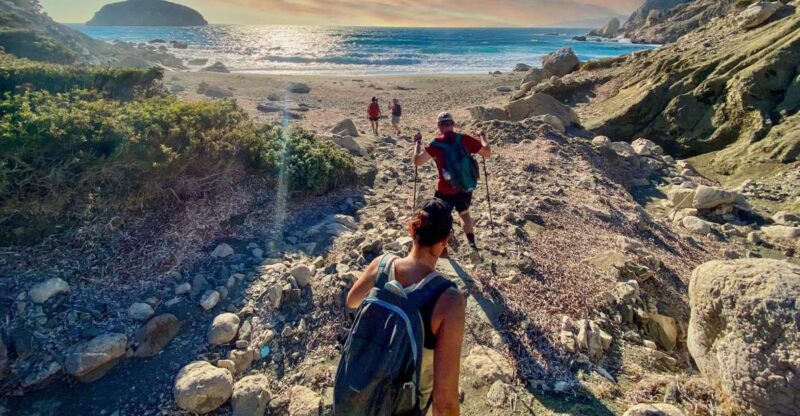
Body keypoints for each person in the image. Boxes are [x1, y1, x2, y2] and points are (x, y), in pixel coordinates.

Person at [345, 198, 466, 416]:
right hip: (406, 405)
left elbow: (352, 301)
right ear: (446, 241)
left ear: (411, 229)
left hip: (363, 389)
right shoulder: (449, 300)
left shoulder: (381, 265)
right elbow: (445, 401)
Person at [413, 112, 491, 253]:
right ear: (453, 124)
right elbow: (487, 152)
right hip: (464, 185)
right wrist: (482, 137)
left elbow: (417, 161)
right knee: (464, 213)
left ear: (439, 126)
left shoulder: (436, 143)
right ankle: (472, 244)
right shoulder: (465, 139)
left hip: (444, 189)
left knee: (442, 218)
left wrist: (417, 143)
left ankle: (443, 250)